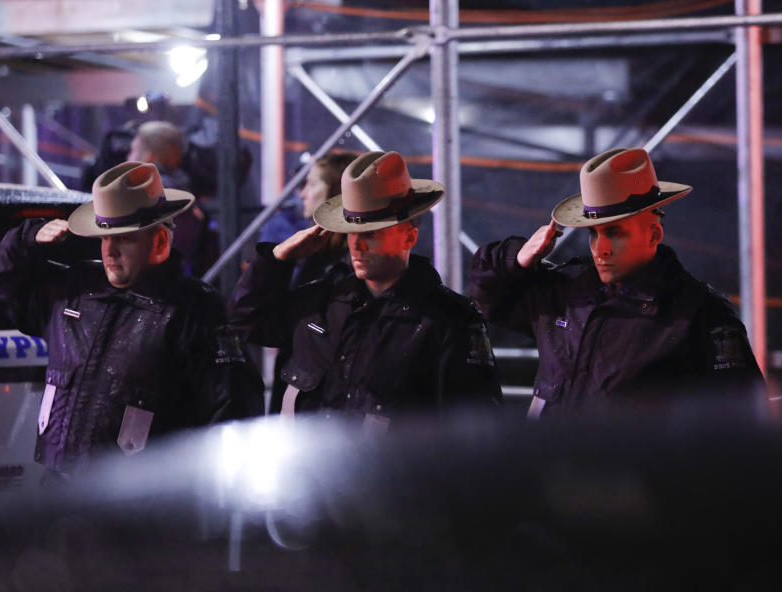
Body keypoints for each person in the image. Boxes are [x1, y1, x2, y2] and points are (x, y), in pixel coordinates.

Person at [0, 162, 263, 479]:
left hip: (142, 509)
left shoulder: (194, 311)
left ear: (159, 243)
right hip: (63, 496)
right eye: (105, 237)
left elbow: (233, 410)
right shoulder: (73, 292)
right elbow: (4, 289)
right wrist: (27, 238)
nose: (110, 250)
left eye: (124, 238)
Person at [469, 147, 763, 419]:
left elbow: (742, 420)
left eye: (616, 233)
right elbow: (487, 299)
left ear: (654, 235)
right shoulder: (566, 293)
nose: (601, 248)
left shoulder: (700, 314)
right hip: (551, 470)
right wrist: (516, 259)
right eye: (594, 233)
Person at [230, 151, 502, 423]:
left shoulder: (448, 320)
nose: (356, 246)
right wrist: (276, 259)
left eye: (371, 234)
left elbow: (473, 429)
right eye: (351, 233)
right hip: (310, 465)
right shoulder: (321, 302)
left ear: (409, 235)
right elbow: (246, 320)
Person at [261, 152, 357, 413]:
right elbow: (256, 323)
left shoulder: (345, 267)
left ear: (336, 193)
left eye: (311, 184)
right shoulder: (316, 257)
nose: (302, 194)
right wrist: (277, 260)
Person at [127, 121, 219, 275]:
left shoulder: (144, 194)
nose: (127, 156)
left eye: (132, 151)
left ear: (148, 158)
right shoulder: (186, 191)